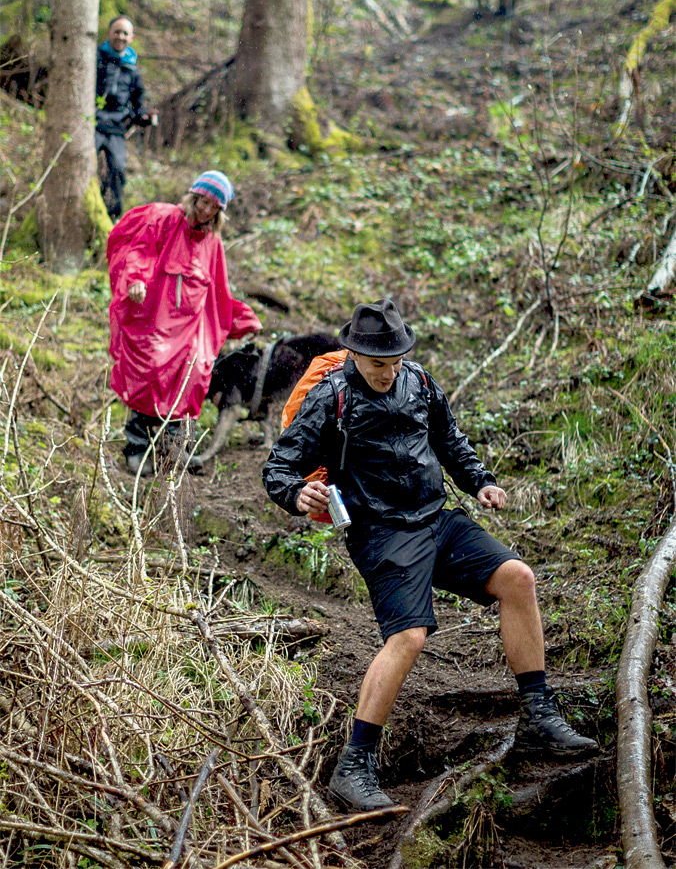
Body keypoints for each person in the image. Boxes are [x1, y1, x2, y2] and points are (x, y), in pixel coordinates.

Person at [262, 298, 597, 812]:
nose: (387, 371)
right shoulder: (330, 398)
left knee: (517, 578)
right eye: (378, 363)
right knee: (408, 636)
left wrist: (480, 480)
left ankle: (538, 718)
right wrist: (295, 493)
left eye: (394, 360)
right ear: (354, 354)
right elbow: (279, 466)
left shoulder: (417, 382)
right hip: (382, 533)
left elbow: (448, 438)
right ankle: (354, 765)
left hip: (437, 520)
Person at [107, 170, 262, 475]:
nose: (206, 210)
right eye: (203, 202)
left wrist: (241, 318)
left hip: (189, 328)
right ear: (194, 197)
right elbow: (139, 249)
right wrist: (136, 279)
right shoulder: (164, 218)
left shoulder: (213, 243)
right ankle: (137, 446)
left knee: (192, 377)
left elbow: (218, 288)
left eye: (214, 207)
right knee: (149, 372)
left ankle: (175, 448)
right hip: (153, 319)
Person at [96, 16, 151, 221]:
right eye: (117, 32)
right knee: (85, 163)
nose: (121, 37)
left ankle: (113, 215)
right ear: (109, 33)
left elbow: (138, 101)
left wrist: (142, 116)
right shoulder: (96, 57)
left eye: (125, 33)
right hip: (93, 122)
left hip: (116, 127)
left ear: (131, 38)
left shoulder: (132, 68)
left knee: (118, 169)